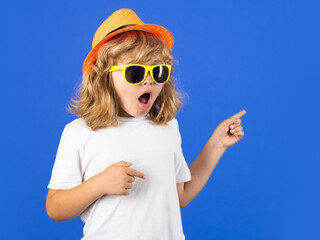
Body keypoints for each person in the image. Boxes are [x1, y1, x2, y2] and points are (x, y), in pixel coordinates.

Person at [45, 8, 246, 240]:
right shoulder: (79, 133)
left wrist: (216, 145)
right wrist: (98, 184)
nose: (149, 80)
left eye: (158, 71)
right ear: (104, 78)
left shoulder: (168, 127)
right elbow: (55, 207)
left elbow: (180, 195)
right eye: (135, 72)